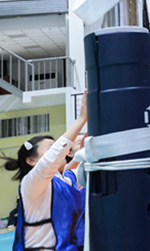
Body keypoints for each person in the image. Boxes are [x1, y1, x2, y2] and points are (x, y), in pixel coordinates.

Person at [3, 91, 87, 251]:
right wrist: (82, 119)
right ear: (31, 161)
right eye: (50, 147)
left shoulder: (67, 178)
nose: (60, 151)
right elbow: (54, 157)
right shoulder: (31, 182)